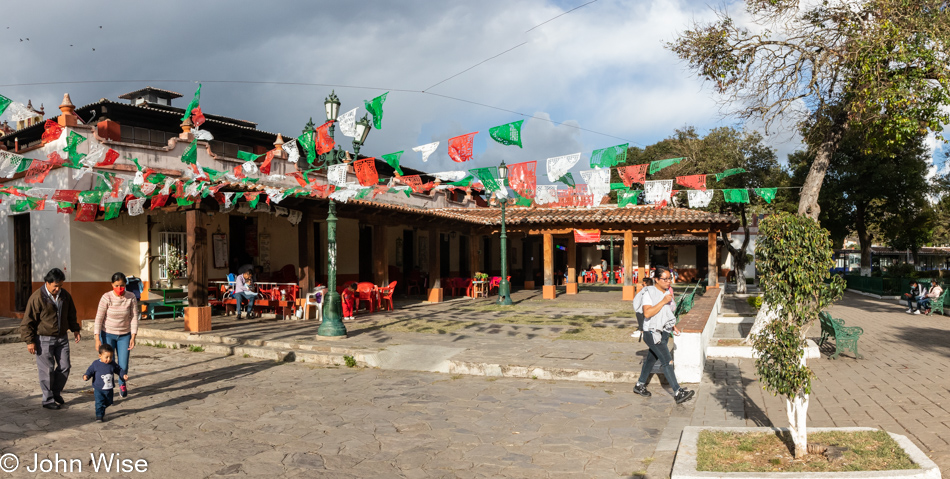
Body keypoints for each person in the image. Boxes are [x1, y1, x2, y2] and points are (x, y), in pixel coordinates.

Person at [19, 268, 81, 410]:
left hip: (62, 338)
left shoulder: (65, 295)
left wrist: (75, 329)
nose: (58, 289)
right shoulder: (37, 297)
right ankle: (48, 400)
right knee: (46, 370)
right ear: (47, 283)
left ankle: (55, 392)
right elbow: (28, 321)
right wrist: (30, 341)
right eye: (55, 286)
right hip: (43, 339)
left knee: (65, 366)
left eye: (60, 286)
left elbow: (71, 313)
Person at [633, 266, 695, 404]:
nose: (668, 281)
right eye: (665, 279)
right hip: (652, 332)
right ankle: (678, 392)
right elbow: (647, 313)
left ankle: (639, 385)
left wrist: (673, 325)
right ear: (656, 279)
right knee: (667, 361)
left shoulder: (667, 292)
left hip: (664, 331)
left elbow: (667, 312)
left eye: (669, 278)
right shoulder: (649, 293)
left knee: (651, 359)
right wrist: (662, 301)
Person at [94, 272, 138, 398]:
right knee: (108, 362)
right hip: (108, 334)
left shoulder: (131, 297)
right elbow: (99, 318)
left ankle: (122, 383)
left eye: (122, 285)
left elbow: (134, 317)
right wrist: (97, 338)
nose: (120, 288)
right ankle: (107, 386)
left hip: (124, 335)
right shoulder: (106, 297)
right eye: (117, 285)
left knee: (123, 364)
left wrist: (133, 336)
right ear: (112, 285)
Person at [82, 344, 128, 422]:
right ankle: (99, 416)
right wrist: (86, 376)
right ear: (100, 356)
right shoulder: (96, 364)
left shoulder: (112, 364)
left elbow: (119, 370)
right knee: (99, 402)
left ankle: (102, 407)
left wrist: (123, 375)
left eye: (111, 357)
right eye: (106, 357)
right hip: (98, 388)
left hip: (109, 389)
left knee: (109, 402)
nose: (109, 359)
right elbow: (90, 371)